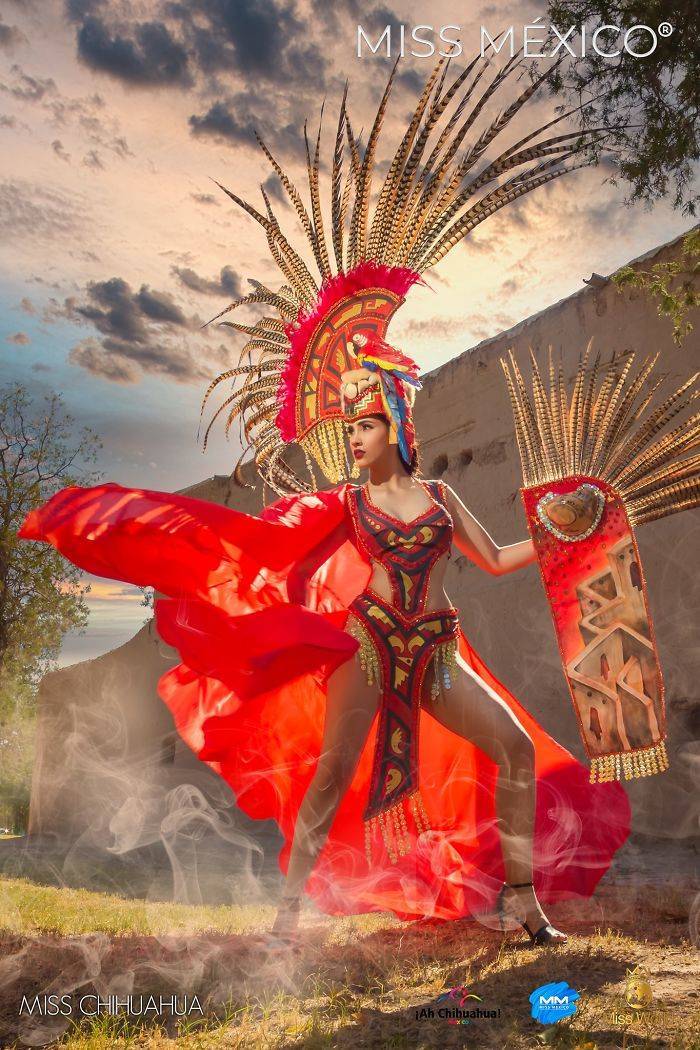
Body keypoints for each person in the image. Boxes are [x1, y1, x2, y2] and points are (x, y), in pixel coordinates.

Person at [19, 52, 632, 953]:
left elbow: (497, 562)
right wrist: (172, 548)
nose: (357, 433)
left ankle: (520, 904)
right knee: (334, 771)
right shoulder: (344, 502)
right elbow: (259, 544)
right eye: (350, 422)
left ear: (400, 425)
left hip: (438, 651)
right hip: (369, 649)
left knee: (511, 753)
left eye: (370, 421)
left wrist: (563, 528)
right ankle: (288, 913)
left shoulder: (441, 495)